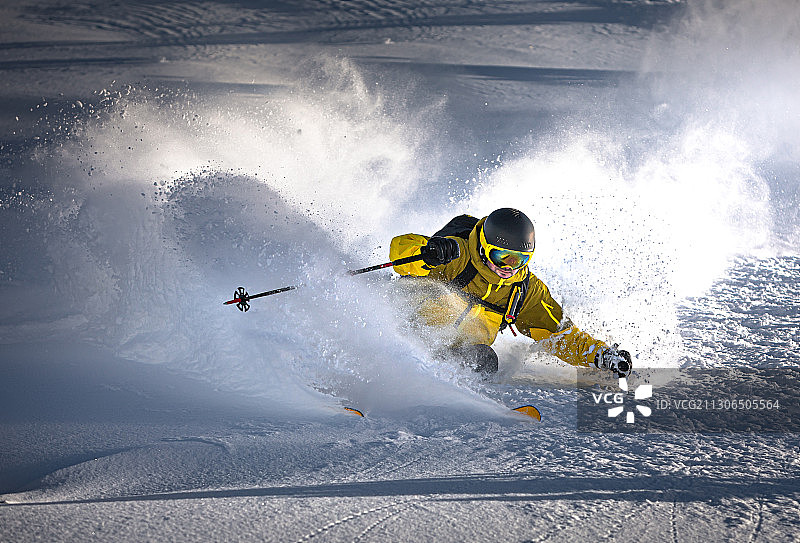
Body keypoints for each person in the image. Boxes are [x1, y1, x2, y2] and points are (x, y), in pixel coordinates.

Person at [389, 208, 632, 377]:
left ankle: (446, 397)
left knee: (485, 361)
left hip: (455, 354)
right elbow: (400, 251)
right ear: (484, 247)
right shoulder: (457, 255)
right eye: (501, 257)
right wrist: (430, 252)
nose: (508, 267)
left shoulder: (524, 290)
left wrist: (602, 356)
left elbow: (560, 334)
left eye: (519, 259)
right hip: (404, 331)